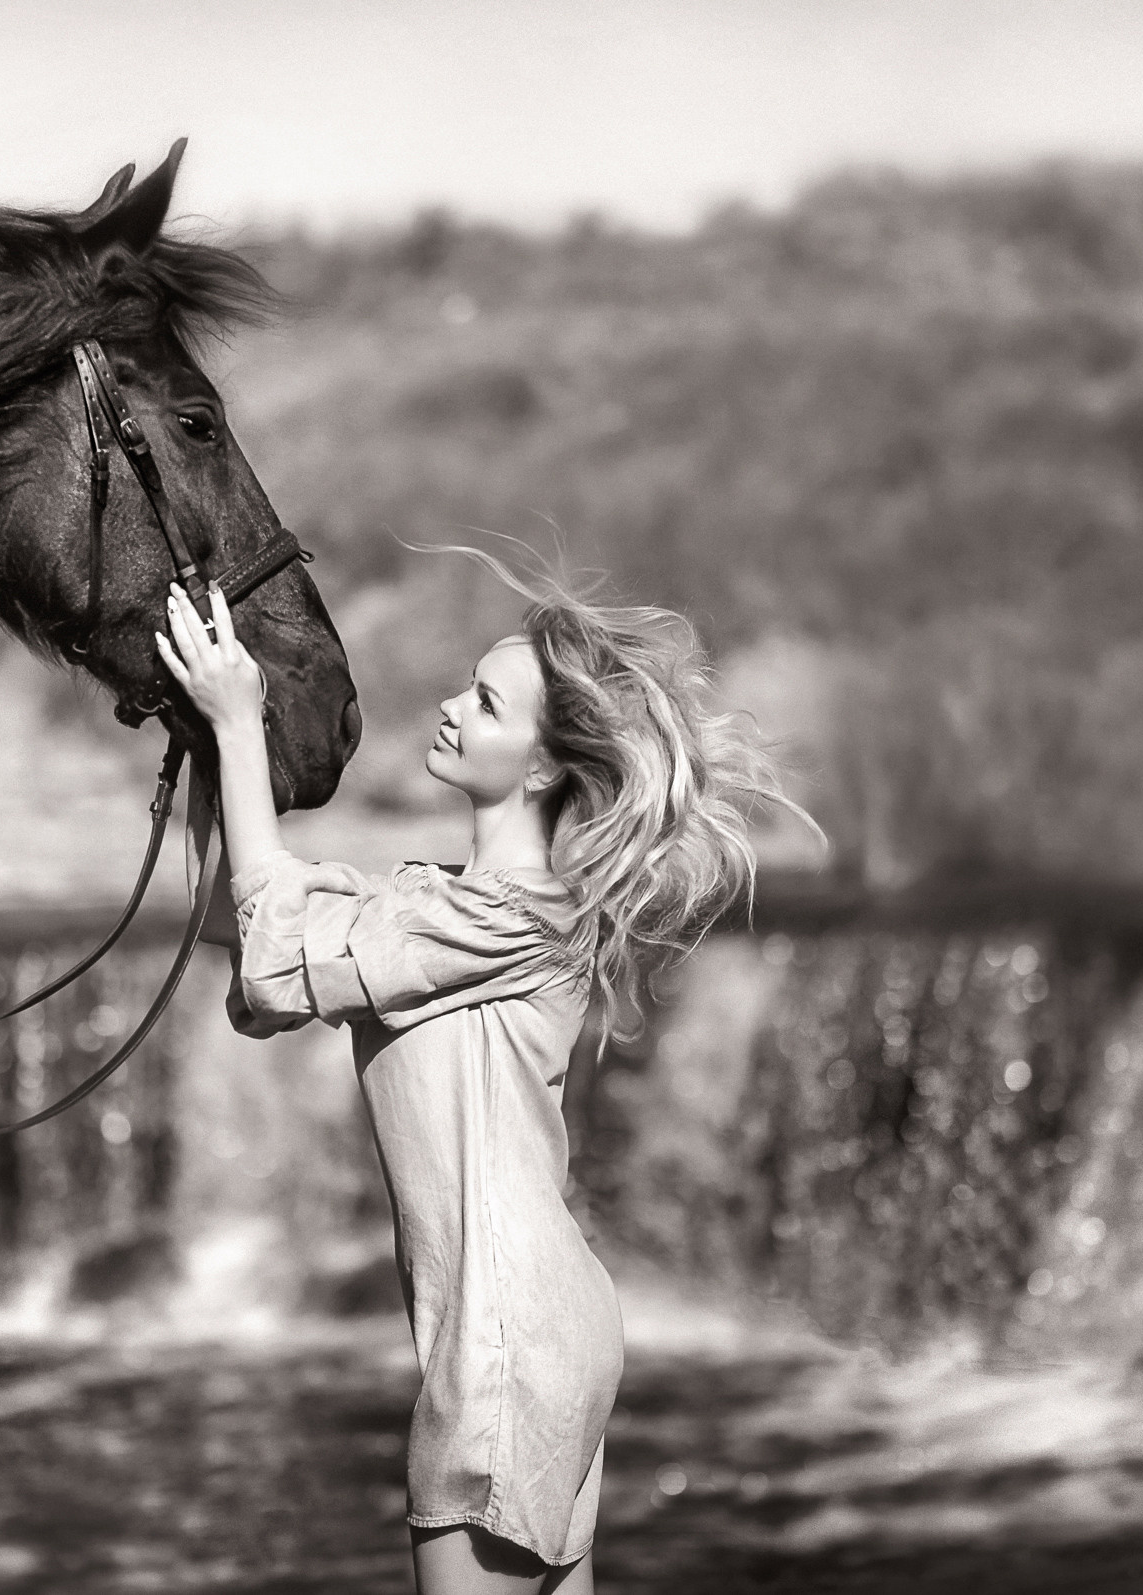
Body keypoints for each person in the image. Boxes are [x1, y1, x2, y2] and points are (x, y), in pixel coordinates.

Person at [156, 552, 814, 1595]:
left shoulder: (504, 914)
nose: (454, 707)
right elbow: (264, 959)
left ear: (546, 764)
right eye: (469, 684)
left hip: (504, 1345)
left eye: (490, 702)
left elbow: (277, 967)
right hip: (541, 1325)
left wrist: (242, 726)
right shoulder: (459, 903)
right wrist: (221, 746)